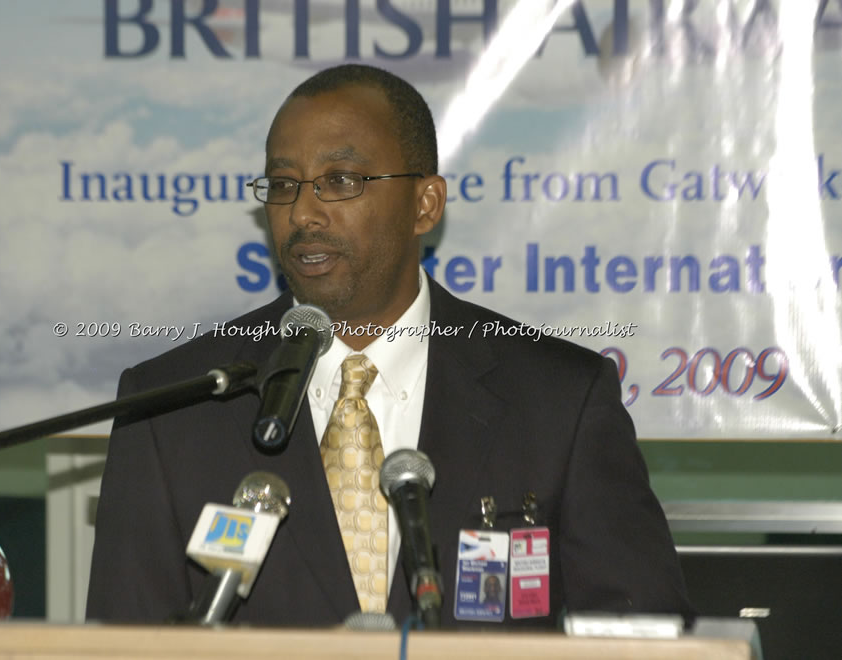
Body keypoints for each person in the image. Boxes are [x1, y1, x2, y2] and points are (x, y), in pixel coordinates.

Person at [87, 64, 693, 628]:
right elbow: (121, 642)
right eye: (282, 184)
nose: (302, 213)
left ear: (424, 204)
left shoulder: (561, 400)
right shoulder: (173, 410)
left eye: (340, 181)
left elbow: (645, 634)